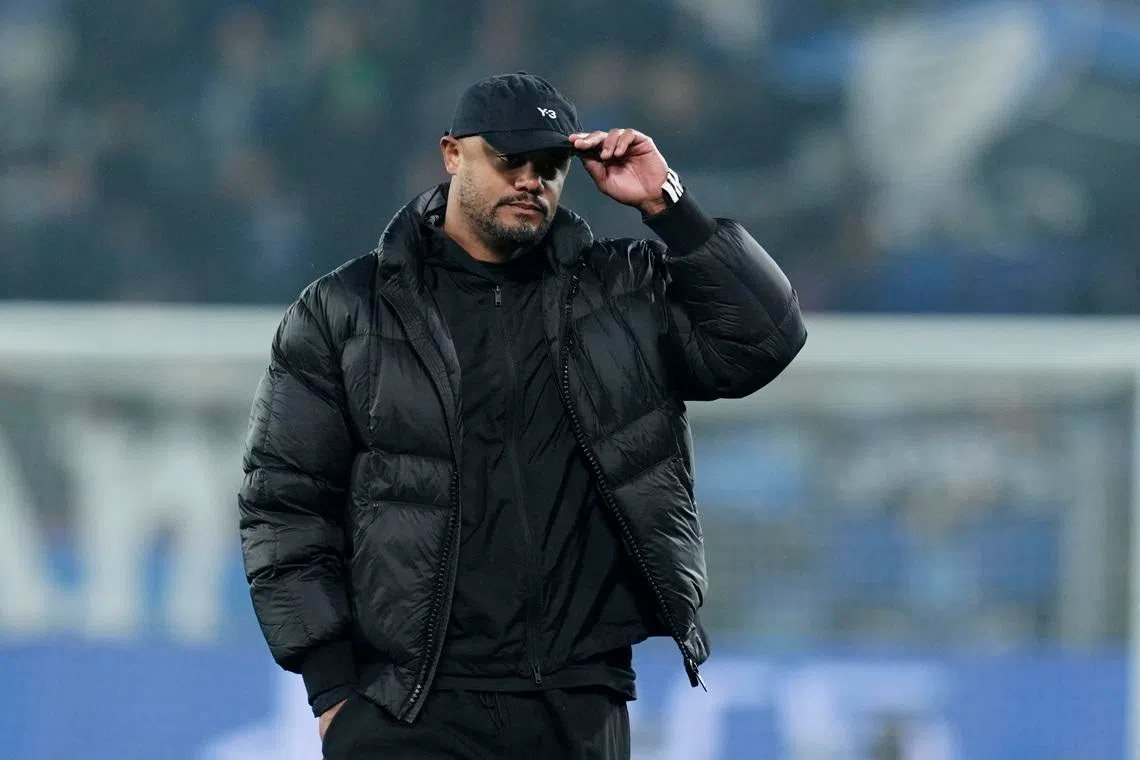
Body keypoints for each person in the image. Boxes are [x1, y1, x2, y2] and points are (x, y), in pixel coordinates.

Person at [238, 72, 806, 759]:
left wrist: (669, 205)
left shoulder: (622, 292)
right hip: (409, 704)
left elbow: (766, 339)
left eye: (550, 165)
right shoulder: (347, 311)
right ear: (452, 154)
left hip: (577, 702)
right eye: (510, 160)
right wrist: (331, 689)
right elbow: (284, 503)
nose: (531, 180)